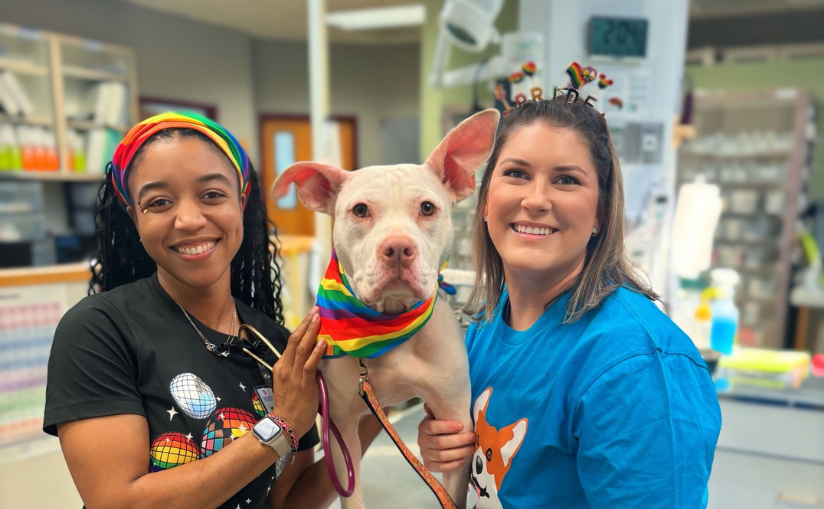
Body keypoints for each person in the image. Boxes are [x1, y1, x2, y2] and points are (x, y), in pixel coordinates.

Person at [43, 112, 375, 509]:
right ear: (134, 217)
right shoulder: (98, 330)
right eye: (159, 202)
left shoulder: (275, 345)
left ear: (241, 199)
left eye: (212, 194)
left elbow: (287, 502)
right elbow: (119, 501)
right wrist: (280, 425)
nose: (188, 220)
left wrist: (377, 406)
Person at [417, 96, 722, 508]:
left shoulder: (637, 368)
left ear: (600, 212)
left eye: (566, 180)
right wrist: (448, 447)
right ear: (486, 200)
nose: (537, 199)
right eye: (517, 173)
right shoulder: (488, 326)